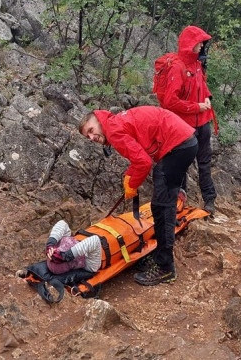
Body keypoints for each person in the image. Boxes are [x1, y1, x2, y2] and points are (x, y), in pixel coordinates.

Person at [78, 106, 198, 285]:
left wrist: (132, 185)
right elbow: (138, 157)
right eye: (88, 137)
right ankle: (160, 257)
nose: (92, 137)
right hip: (183, 143)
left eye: (91, 131)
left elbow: (143, 162)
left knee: (161, 208)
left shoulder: (113, 131)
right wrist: (129, 175)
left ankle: (165, 268)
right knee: (163, 202)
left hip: (177, 146)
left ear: (98, 119)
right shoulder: (116, 123)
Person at [157, 25, 218, 214]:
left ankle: (209, 201)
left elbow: (202, 86)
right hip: (184, 126)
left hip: (203, 122)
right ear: (189, 44)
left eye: (202, 43)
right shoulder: (178, 68)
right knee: (182, 164)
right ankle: (178, 202)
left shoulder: (197, 64)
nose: (201, 46)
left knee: (205, 163)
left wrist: (207, 97)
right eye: (199, 43)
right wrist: (195, 107)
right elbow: (169, 101)